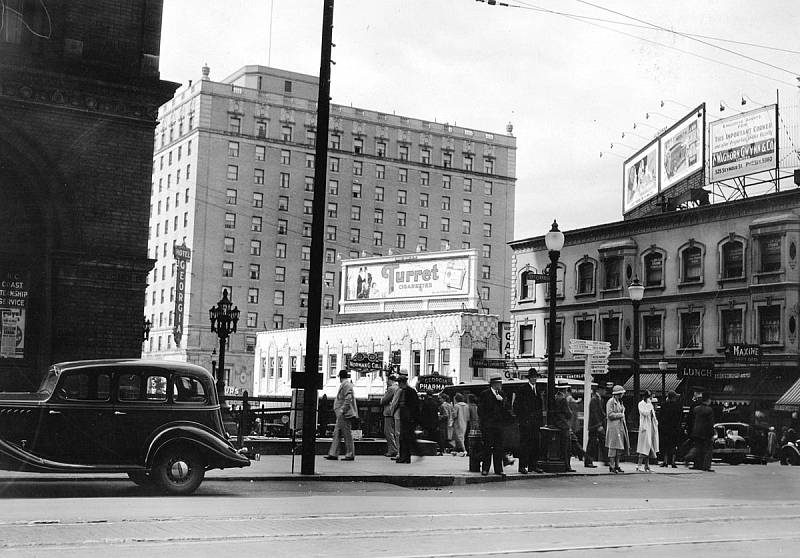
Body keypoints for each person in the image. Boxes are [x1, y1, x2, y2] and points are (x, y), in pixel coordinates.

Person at [478, 374, 511, 476]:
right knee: (487, 447)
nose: (500, 385)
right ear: (493, 384)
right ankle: (485, 468)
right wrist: (484, 423)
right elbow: (481, 410)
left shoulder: (502, 394)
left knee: (499, 447)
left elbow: (506, 409)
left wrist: (502, 402)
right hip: (488, 425)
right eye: (498, 383)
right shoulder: (485, 394)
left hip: (499, 425)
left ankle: (499, 469)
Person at [512, 368, 544, 474]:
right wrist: (523, 418)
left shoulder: (537, 390)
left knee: (535, 444)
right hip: (526, 423)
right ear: (529, 378)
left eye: (535, 377)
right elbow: (516, 406)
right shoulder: (523, 389)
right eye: (532, 377)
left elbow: (539, 406)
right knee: (525, 445)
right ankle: (522, 466)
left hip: (535, 423)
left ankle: (533, 465)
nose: (534, 379)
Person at [325, 370, 358, 461]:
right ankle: (333, 453)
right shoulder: (345, 384)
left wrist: (342, 410)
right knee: (337, 433)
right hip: (341, 414)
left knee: (346, 434)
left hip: (344, 414)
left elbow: (348, 399)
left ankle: (349, 454)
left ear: (340, 376)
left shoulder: (347, 385)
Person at [551, 385, 584, 472]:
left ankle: (581, 453)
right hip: (563, 425)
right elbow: (568, 413)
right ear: (565, 390)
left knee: (566, 444)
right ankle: (567, 465)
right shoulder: (563, 399)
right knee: (567, 446)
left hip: (557, 424)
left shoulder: (555, 397)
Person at [392, 372, 422, 463]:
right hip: (404, 418)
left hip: (408, 419)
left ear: (402, 382)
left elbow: (414, 406)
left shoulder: (410, 391)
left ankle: (405, 457)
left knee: (406, 438)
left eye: (399, 382)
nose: (398, 384)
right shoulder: (403, 391)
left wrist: (413, 418)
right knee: (404, 438)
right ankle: (404, 457)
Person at [605, 385, 629, 474]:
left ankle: (617, 465)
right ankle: (612, 465)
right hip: (613, 428)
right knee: (613, 447)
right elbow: (610, 415)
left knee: (619, 447)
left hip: (620, 427)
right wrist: (620, 415)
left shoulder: (620, 402)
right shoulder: (611, 402)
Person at [689, 392, 715, 471]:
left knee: (698, 448)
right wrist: (712, 433)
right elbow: (710, 423)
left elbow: (692, 420)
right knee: (707, 450)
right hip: (705, 433)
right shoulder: (709, 410)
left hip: (696, 432)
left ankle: (697, 465)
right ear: (708, 400)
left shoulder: (696, 409)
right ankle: (706, 466)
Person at [636, 390, 659, 472]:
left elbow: (653, 415)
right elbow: (644, 413)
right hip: (644, 428)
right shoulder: (641, 404)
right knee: (644, 446)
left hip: (650, 427)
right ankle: (639, 465)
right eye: (649, 396)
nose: (650, 398)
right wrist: (649, 406)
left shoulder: (650, 404)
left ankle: (646, 465)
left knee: (649, 446)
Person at [659, 391, 682, 468]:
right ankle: (673, 461)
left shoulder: (664, 405)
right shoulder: (678, 406)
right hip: (675, 428)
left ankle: (665, 461)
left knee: (665, 445)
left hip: (665, 429)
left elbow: (661, 417)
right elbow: (680, 418)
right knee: (674, 445)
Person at [586, 384, 607, 467]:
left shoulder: (599, 399)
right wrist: (599, 425)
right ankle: (588, 461)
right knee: (592, 443)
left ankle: (605, 460)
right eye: (604, 390)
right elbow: (594, 413)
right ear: (600, 390)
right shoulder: (594, 399)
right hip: (595, 426)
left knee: (602, 442)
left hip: (597, 425)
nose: (605, 392)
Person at [380, 373, 399, 458]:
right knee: (395, 432)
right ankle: (396, 449)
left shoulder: (391, 388)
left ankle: (392, 450)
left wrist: (382, 399)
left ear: (390, 380)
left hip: (389, 412)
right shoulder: (399, 388)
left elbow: (384, 400)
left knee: (388, 432)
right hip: (396, 413)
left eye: (387, 381)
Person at [466, 393, 482, 472]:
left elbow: (468, 418)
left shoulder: (469, 407)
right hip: (478, 425)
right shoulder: (476, 406)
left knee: (472, 444)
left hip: (472, 426)